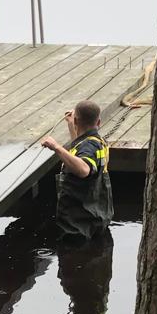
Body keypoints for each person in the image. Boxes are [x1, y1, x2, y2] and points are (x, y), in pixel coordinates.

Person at [39, 100, 115, 240]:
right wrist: (71, 125)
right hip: (98, 216)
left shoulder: (89, 146)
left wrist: (56, 147)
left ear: (76, 120)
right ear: (98, 122)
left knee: (73, 251)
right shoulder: (98, 142)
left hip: (79, 223)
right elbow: (80, 150)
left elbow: (83, 169)